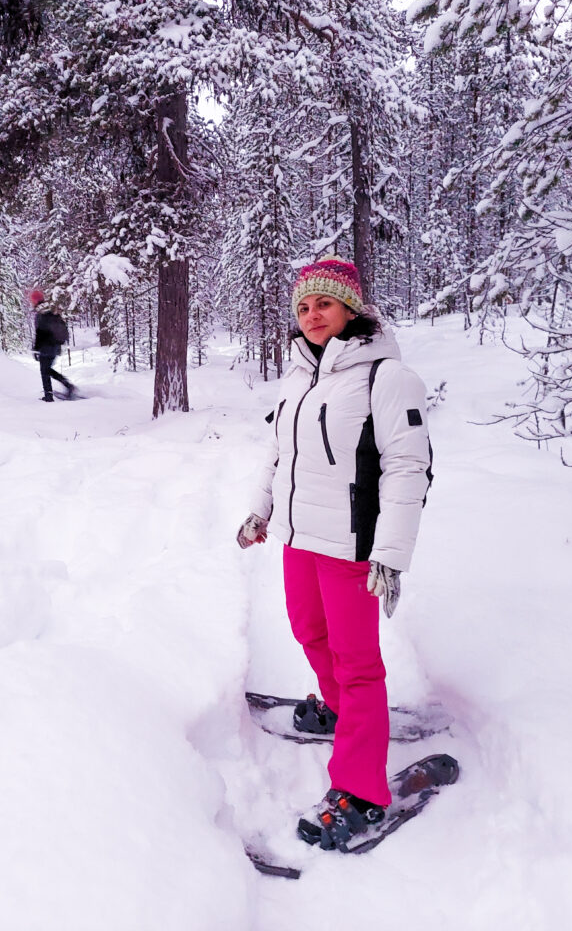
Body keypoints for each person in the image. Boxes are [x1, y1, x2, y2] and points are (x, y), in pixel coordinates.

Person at [237, 256, 432, 852]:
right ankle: (343, 714)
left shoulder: (388, 379)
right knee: (308, 633)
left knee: (358, 663)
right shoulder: (298, 378)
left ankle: (361, 789)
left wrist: (390, 554)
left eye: (323, 303)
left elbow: (407, 467)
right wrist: (259, 511)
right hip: (299, 537)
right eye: (302, 307)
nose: (312, 315)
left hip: (352, 545)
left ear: (351, 308)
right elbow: (278, 456)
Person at [30, 289, 76, 402]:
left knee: (44, 371)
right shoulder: (50, 309)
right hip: (55, 346)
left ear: (35, 301)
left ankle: (49, 396)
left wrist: (36, 349)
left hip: (46, 347)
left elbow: (40, 333)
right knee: (48, 370)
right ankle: (67, 385)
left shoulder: (40, 313)